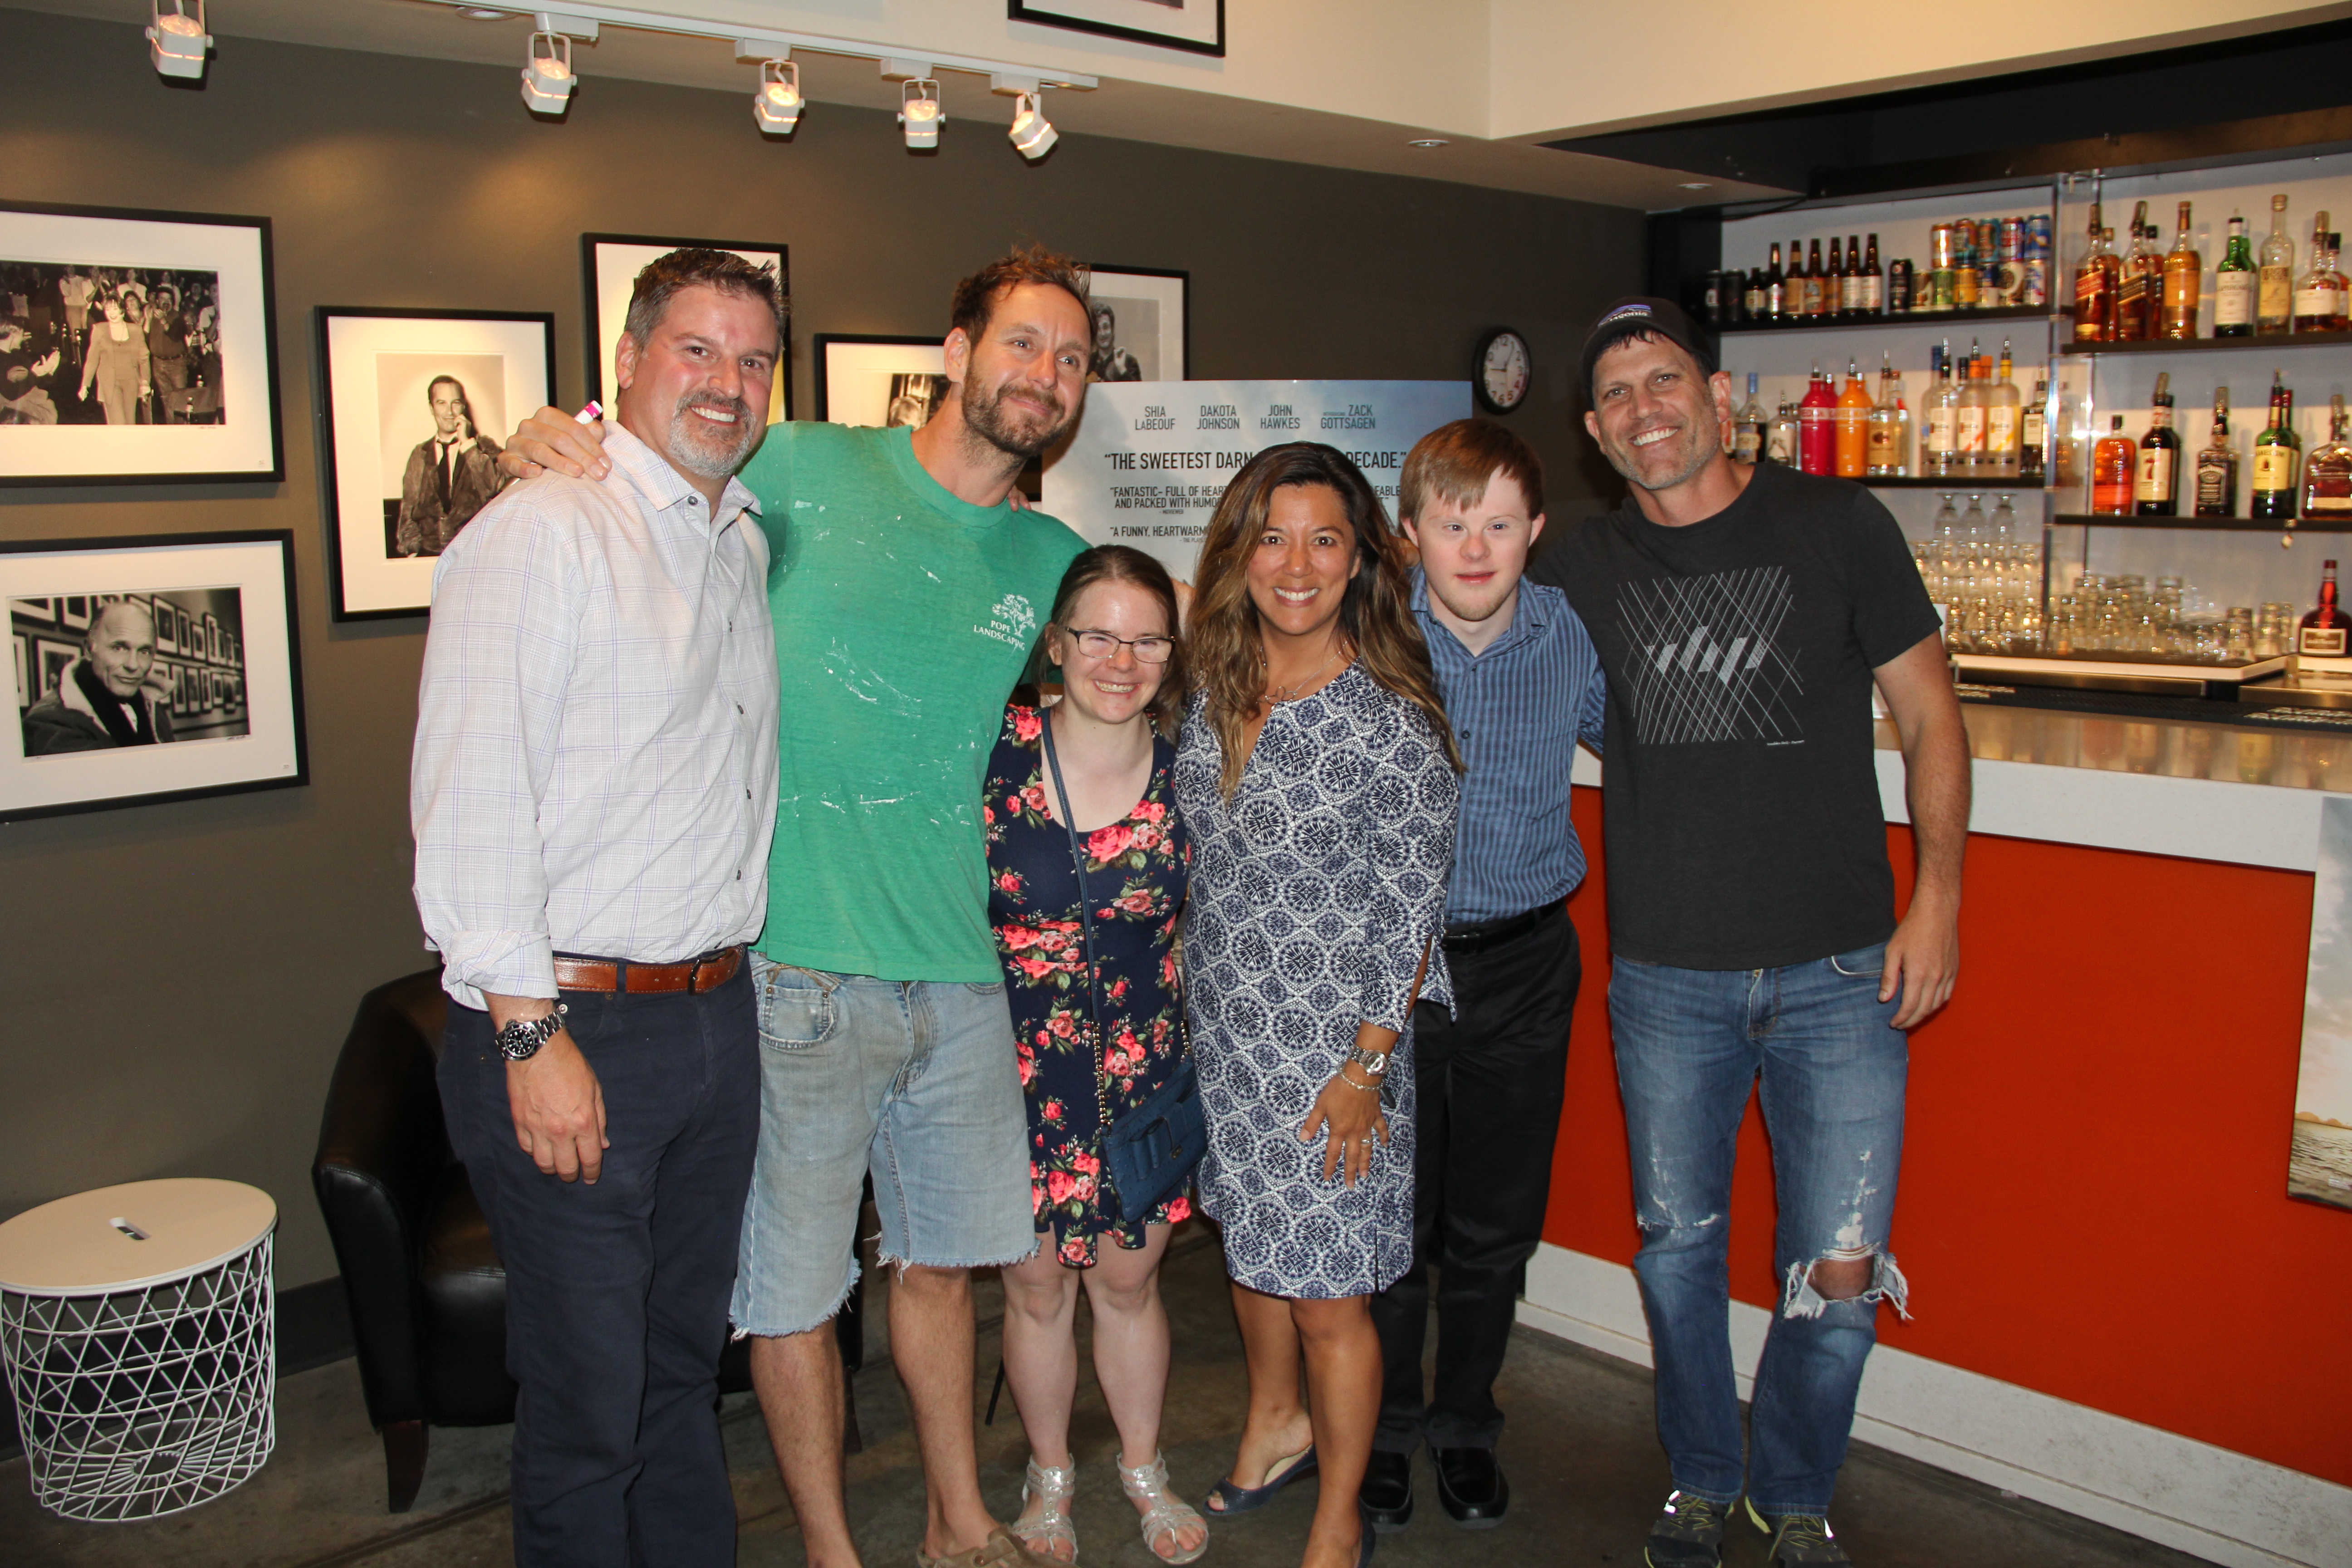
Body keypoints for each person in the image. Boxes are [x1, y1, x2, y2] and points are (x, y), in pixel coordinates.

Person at [500, 245, 1100, 1568]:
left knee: (943, 1271)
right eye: (1022, 344)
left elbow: (1136, 692)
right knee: (793, 1296)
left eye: (1070, 359)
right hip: (790, 973)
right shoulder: (806, 467)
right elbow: (644, 469)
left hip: (962, 973)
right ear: (956, 353)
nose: (1044, 377)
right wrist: (558, 435)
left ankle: (956, 1521)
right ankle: (832, 1550)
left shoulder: (1055, 560)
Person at [1525, 298, 1969, 1568]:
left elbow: (1934, 719)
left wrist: (1937, 898)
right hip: (1668, 977)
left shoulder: (1838, 525)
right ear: (1598, 432)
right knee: (1677, 1259)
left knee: (1838, 1270)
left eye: (1664, 380)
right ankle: (1704, 1479)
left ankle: (1798, 1494)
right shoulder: (1581, 565)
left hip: (1842, 970)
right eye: (1614, 394)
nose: (1642, 409)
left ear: (1720, 399)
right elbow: (1465, 618)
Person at [409, 248, 787, 1568]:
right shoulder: (541, 531)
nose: (726, 384)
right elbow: (471, 806)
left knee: (684, 1368)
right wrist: (530, 1034)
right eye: (696, 349)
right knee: (586, 1402)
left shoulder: (736, 538)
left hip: (711, 1015)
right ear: (625, 360)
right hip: (571, 1024)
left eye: (751, 359)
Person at [1175, 443, 1461, 1568]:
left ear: (1361, 560)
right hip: (1229, 1028)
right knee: (1253, 1253)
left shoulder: (1391, 715)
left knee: (1330, 1294)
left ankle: (1339, 1511)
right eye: (1271, 535)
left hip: (1335, 1048)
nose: (1295, 563)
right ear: (1239, 548)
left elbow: (1409, 907)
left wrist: (1364, 1067)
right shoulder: (1209, 682)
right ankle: (1274, 1420)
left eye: (1324, 538)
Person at [1360, 419, 1604, 1533]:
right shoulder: (1369, 642)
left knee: (1494, 1224)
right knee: (1394, 1225)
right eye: (1452, 524)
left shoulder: (1568, 639)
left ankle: (1464, 1422)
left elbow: (1649, 744)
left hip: (1522, 964)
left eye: (1499, 524)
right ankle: (1384, 1428)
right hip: (1394, 974)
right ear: (1410, 535)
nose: (1475, 547)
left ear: (1534, 534)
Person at [987, 545, 1208, 1568]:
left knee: (1127, 1286)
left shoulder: (1192, 762)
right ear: (1057, 642)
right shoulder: (992, 746)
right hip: (1010, 1071)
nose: (1121, 659)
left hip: (1142, 1079)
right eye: (1098, 634)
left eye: (1148, 637)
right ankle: (1050, 1479)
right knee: (1035, 1290)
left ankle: (1142, 1467)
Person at [22, 598, 176, 755]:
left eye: (144, 652)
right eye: (119, 648)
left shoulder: (153, 707)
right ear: (89, 649)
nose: (133, 665)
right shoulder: (50, 720)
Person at [397, 375, 510, 556]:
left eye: (455, 403)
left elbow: (493, 488)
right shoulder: (420, 454)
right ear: (431, 408)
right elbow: (409, 509)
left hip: (474, 553)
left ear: (464, 406)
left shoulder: (484, 447)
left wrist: (467, 444)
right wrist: (413, 551)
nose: (450, 412)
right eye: (441, 403)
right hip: (428, 553)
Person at [78, 295, 147, 425]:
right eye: (108, 310)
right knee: (118, 423)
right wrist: (85, 385)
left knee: (130, 423)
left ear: (122, 310)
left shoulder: (136, 330)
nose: (112, 313)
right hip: (110, 383)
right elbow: (92, 359)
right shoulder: (99, 330)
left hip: (131, 382)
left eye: (115, 309)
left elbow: (143, 358)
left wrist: (146, 382)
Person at [0, 318, 62, 424]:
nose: (23, 339)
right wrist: (35, 374)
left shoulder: (18, 356)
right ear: (14, 333)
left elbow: (34, 384)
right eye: (22, 334)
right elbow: (11, 394)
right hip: (13, 417)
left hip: (33, 410)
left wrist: (49, 372)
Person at [1088, 302, 1142, 382]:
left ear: (1113, 330)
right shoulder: (1088, 363)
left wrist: (1122, 369)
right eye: (1098, 329)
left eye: (1106, 327)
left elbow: (1138, 393)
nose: (1102, 334)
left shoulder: (1130, 362)